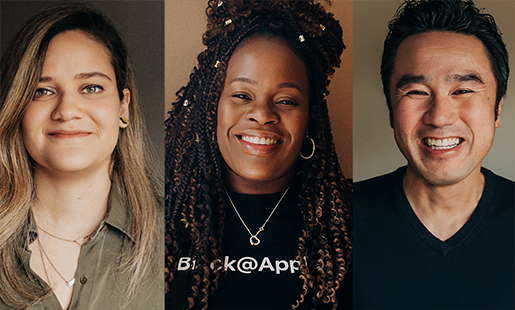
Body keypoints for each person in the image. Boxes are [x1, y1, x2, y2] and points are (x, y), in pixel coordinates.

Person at [165, 0, 352, 309]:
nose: (262, 114)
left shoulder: (353, 222)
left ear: (310, 119)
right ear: (211, 106)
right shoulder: (162, 217)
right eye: (241, 95)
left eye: (287, 100)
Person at [0, 4, 162, 310]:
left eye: (91, 87)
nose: (67, 111)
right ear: (16, 106)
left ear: (123, 106)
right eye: (42, 91)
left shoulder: (177, 236)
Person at [353, 0, 513, 309]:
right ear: (390, 108)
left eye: (463, 91)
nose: (439, 117)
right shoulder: (338, 220)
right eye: (417, 92)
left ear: (498, 109)